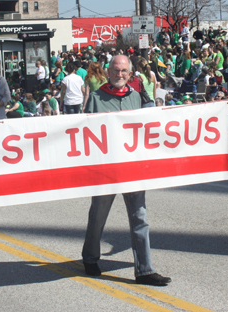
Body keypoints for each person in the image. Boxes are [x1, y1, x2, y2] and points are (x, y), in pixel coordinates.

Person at [82, 55, 171, 286]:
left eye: (123, 71)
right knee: (97, 216)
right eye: (115, 70)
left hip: (132, 170)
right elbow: (86, 135)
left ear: (130, 74)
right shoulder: (95, 97)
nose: (119, 75)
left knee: (140, 218)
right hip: (106, 170)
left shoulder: (136, 98)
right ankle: (90, 258)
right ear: (107, 72)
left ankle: (144, 270)